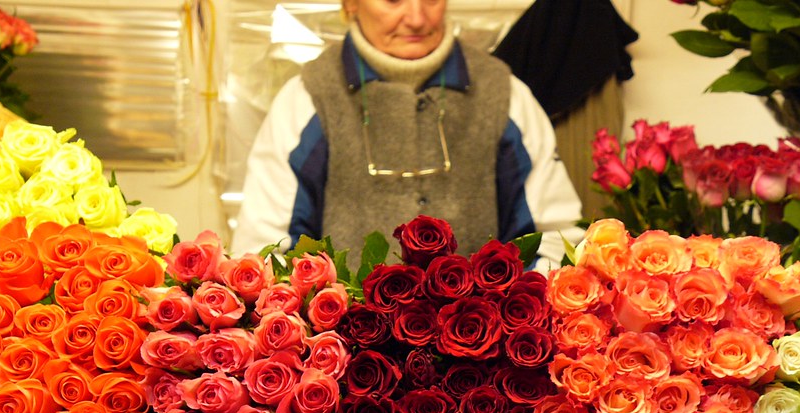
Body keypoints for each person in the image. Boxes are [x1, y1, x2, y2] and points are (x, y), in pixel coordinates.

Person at [230, 0, 582, 271]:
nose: (416, 18)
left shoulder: (503, 94)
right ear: (351, 4)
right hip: (342, 344)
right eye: (393, 0)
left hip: (488, 345)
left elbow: (554, 238)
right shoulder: (307, 98)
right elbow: (265, 249)